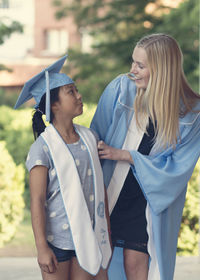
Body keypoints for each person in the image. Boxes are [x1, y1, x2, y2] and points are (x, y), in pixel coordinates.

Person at [90, 33, 200, 280]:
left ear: (161, 70)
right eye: (133, 62)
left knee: (137, 264)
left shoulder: (192, 114)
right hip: (110, 192)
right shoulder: (121, 89)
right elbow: (95, 137)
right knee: (98, 263)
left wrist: (125, 155)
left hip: (148, 200)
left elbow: (176, 171)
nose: (133, 70)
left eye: (140, 65)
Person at [14, 55, 112, 280]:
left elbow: (99, 189)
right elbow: (37, 200)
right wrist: (41, 248)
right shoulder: (43, 148)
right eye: (71, 91)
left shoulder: (89, 137)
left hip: (90, 236)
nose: (79, 96)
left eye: (77, 90)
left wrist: (107, 230)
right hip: (57, 241)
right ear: (54, 104)